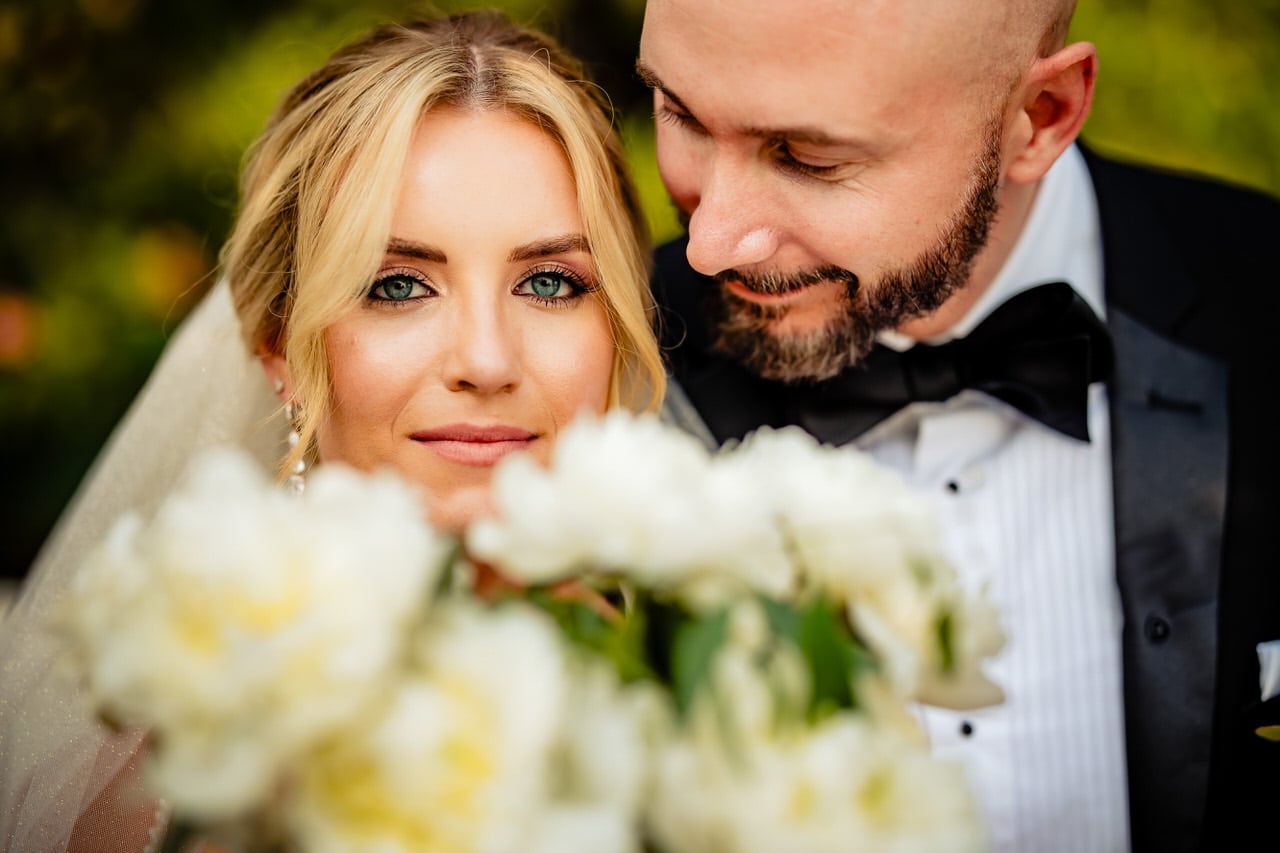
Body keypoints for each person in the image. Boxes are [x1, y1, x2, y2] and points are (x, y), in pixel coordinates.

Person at [0, 10, 663, 852]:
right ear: (280, 344)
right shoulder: (182, 798)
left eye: (548, 282)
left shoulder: (731, 718)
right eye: (397, 286)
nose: (488, 360)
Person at [638, 1, 1279, 851]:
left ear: (1038, 119)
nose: (710, 244)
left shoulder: (1262, 302)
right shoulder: (614, 364)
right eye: (678, 111)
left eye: (807, 157)